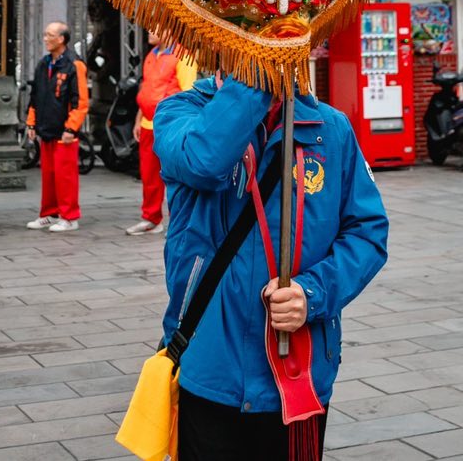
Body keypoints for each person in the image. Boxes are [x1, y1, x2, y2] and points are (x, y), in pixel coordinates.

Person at [156, 70, 388, 457]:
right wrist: (256, 72)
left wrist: (312, 293)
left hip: (298, 368)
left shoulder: (329, 129)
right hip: (207, 364)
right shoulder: (180, 113)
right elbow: (205, 159)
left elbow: (368, 233)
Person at [25, 21, 87, 232]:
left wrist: (71, 128)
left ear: (61, 39)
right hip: (46, 128)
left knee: (65, 176)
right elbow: (35, 96)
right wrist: (31, 122)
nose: (45, 38)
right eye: (45, 34)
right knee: (49, 175)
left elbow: (81, 101)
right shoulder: (44, 64)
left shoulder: (74, 65)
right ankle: (49, 213)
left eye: (49, 35)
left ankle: (69, 216)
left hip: (64, 131)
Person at [128, 41, 191, 236]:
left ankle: (179, 222)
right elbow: (146, 90)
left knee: (174, 175)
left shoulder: (182, 54)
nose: (150, 31)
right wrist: (139, 119)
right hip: (148, 123)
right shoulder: (151, 55)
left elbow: (188, 92)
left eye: (155, 26)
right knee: (148, 174)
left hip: (169, 125)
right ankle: (151, 218)